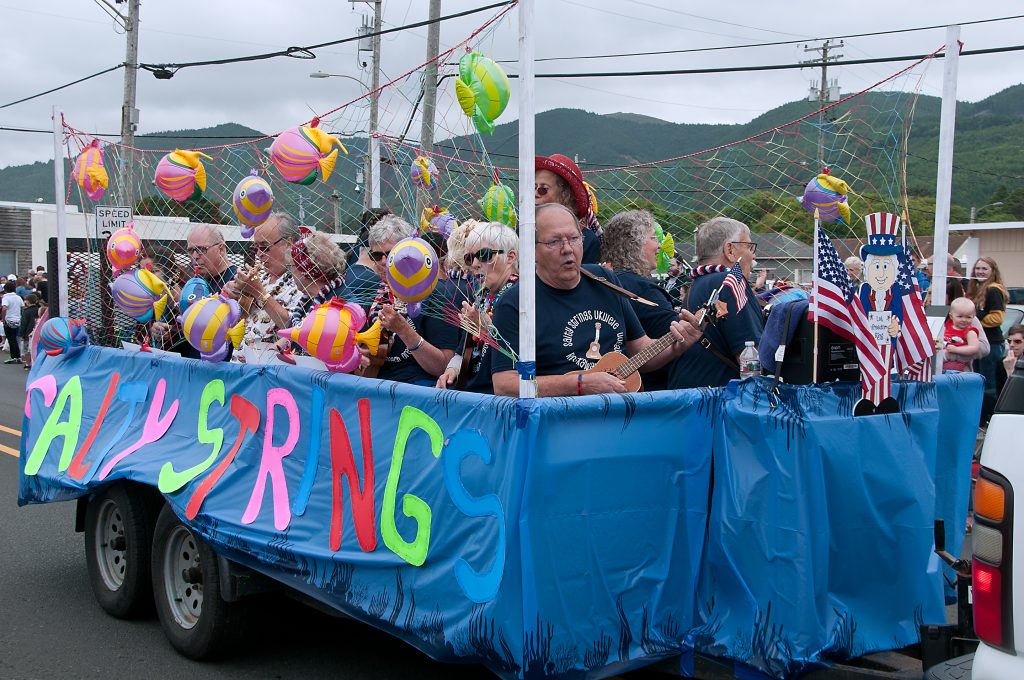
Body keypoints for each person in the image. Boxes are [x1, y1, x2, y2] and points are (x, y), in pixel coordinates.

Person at [489, 203, 703, 397]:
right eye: (554, 241)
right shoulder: (516, 302)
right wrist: (579, 384)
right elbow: (504, 384)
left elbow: (640, 350)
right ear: (532, 250)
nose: (567, 248)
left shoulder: (604, 281)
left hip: (618, 418)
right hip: (558, 424)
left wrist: (677, 346)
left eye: (574, 238)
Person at [362, 215, 461, 386]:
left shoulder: (437, 293)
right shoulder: (374, 294)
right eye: (377, 255)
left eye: (391, 254)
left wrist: (404, 331)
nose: (384, 261)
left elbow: (443, 366)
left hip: (418, 394)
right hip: (377, 392)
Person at [666, 216, 763, 390]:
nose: (753, 254)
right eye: (749, 247)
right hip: (719, 401)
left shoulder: (695, 287)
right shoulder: (731, 282)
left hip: (687, 395)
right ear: (730, 250)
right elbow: (750, 357)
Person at [600, 209, 680, 389]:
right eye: (653, 238)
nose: (659, 246)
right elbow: (676, 341)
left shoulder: (604, 283)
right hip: (652, 391)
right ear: (633, 244)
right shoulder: (645, 290)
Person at [436, 221, 516, 393]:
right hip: (474, 394)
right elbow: (463, 350)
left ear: (510, 257)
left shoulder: (522, 298)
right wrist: (451, 370)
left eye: (485, 255)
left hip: (500, 397)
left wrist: (486, 328)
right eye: (469, 258)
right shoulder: (482, 296)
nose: (474, 264)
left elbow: (522, 357)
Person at [225, 212, 305, 360]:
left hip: (269, 371)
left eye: (265, 247)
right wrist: (234, 297)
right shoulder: (260, 277)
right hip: (240, 365)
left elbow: (293, 327)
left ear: (289, 244)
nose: (259, 254)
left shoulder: (303, 280)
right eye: (256, 247)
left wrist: (258, 292)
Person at [535, 153, 602, 264]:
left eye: (543, 189)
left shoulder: (588, 241)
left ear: (564, 194)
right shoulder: (523, 232)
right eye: (533, 187)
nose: (535, 193)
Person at [968, 256, 1010, 424]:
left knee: (989, 384)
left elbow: (997, 317)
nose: (980, 271)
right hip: (980, 343)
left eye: (984, 269)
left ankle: (992, 419)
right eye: (978, 268)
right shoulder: (977, 289)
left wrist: (975, 323)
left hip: (991, 344)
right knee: (980, 381)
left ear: (993, 271)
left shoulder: (993, 290)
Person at [285, 230, 348, 328]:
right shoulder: (309, 300)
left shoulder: (336, 305)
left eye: (291, 266)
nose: (290, 272)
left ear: (305, 271)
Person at [186, 224, 236, 293]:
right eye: (190, 250)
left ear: (221, 249)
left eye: (201, 249)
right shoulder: (193, 281)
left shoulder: (237, 281)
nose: (194, 256)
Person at [942, 297, 980, 373]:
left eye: (968, 317)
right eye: (960, 316)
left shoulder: (970, 332)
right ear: (951, 316)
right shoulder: (947, 327)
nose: (964, 320)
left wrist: (956, 350)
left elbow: (974, 348)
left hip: (960, 367)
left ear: (973, 316)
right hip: (942, 365)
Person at [1, 281, 23, 364]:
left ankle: (14, 356)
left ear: (5, 289)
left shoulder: (5, 298)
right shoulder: (18, 297)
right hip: (18, 320)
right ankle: (18, 355)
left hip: (9, 320)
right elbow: (22, 307)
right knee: (16, 338)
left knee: (11, 339)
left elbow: (4, 308)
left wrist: (3, 319)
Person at [20, 293, 39, 370]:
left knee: (27, 349)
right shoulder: (38, 309)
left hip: (28, 332)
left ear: (27, 302)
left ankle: (28, 363)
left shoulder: (26, 311)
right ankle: (35, 362)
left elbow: (24, 323)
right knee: (34, 348)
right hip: (36, 331)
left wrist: (22, 333)